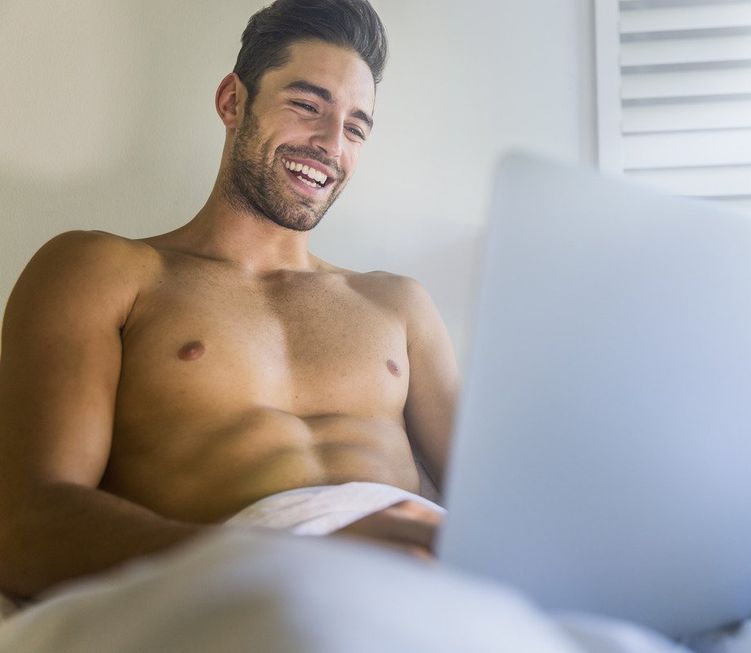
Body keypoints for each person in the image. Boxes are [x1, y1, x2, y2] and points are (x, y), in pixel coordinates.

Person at [0, 0, 457, 600]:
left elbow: (508, 512)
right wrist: (295, 559)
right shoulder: (102, 271)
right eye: (307, 105)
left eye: (354, 127)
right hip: (252, 594)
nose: (329, 143)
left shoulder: (400, 304)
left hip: (437, 590)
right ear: (232, 101)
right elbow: (25, 528)